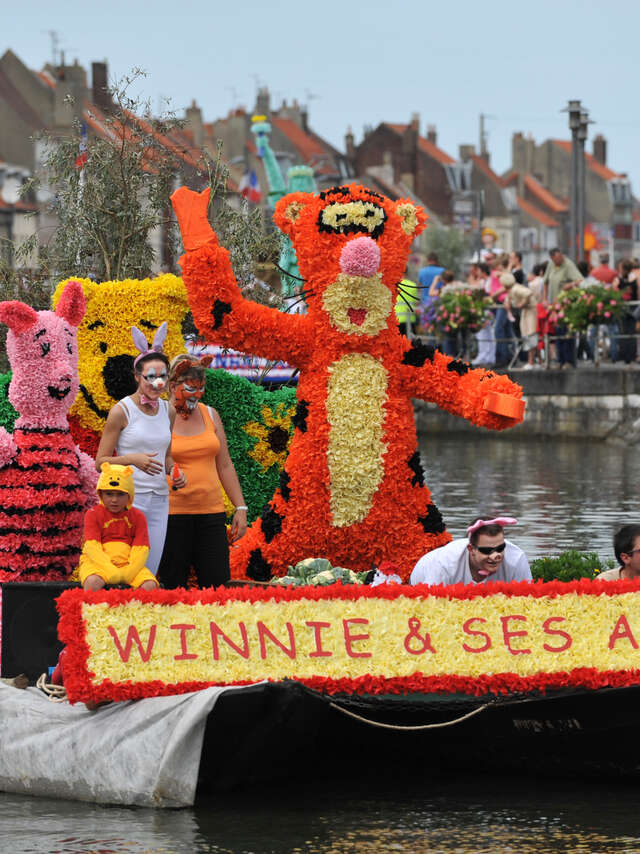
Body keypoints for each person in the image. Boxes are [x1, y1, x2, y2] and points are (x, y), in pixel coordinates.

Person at [95, 323, 185, 576]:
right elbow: (100, 461)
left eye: (163, 377)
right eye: (150, 377)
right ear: (137, 377)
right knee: (123, 568)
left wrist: (174, 471)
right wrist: (132, 460)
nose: (158, 383)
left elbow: (167, 455)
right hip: (126, 501)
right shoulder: (121, 411)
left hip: (159, 500)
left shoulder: (169, 410)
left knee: (149, 569)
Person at [157, 354, 248, 588]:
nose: (197, 394)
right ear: (173, 385)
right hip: (171, 517)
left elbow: (225, 465)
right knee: (171, 589)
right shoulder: (157, 416)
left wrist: (240, 507)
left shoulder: (210, 414)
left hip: (211, 515)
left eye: (201, 388)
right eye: (190, 388)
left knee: (217, 588)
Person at [78, 462, 158, 591]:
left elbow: (141, 549)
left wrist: (128, 572)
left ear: (129, 496)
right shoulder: (92, 514)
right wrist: (110, 570)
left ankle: (133, 611)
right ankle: (95, 611)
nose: (114, 500)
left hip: (129, 564)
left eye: (120, 494)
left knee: (150, 586)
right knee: (92, 583)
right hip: (97, 564)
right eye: (109, 494)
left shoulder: (138, 516)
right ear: (101, 494)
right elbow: (93, 548)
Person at [410, 517, 532, 586]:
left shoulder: (516, 559)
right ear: (471, 549)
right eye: (487, 551)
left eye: (500, 548)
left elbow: (526, 601)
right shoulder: (445, 563)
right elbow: (429, 607)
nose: (496, 556)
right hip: (422, 578)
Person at [542, 248, 583, 368]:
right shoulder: (551, 265)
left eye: (560, 258)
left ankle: (568, 361)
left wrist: (569, 285)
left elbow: (579, 279)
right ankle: (560, 360)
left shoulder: (568, 265)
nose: (559, 260)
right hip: (554, 306)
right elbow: (545, 282)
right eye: (556, 259)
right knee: (557, 332)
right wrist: (544, 298)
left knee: (566, 332)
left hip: (566, 305)